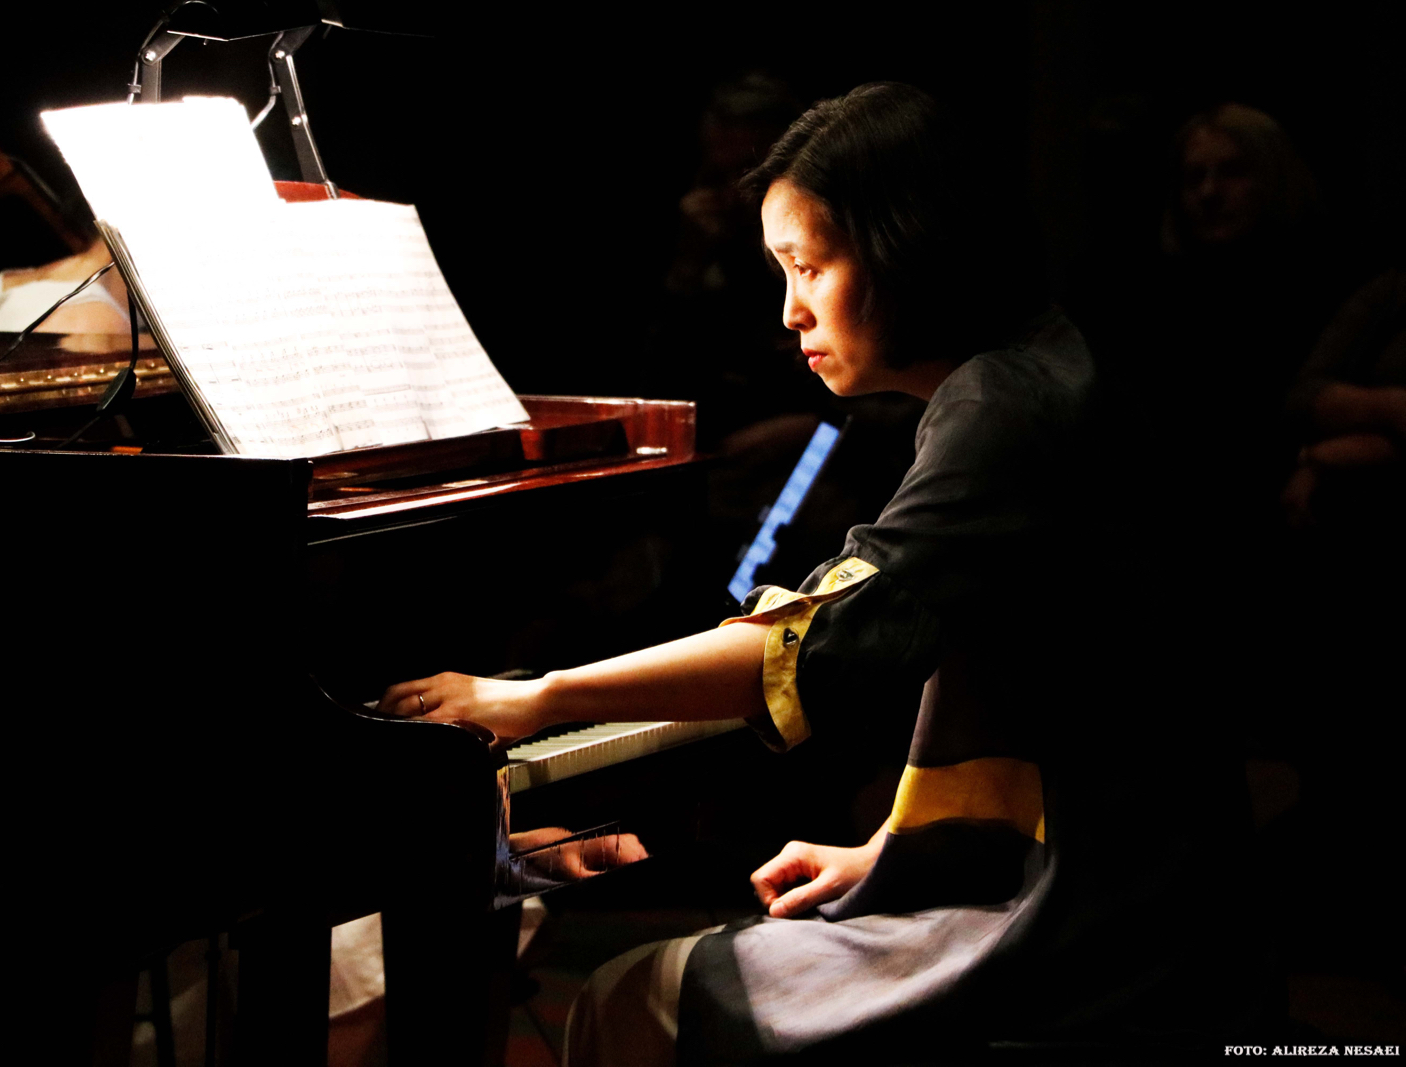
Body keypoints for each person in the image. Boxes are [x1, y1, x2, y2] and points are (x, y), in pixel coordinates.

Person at [381, 82, 1264, 1064]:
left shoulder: (1001, 407)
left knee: (630, 998)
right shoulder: (1040, 365)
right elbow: (1061, 704)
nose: (790, 308)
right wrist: (889, 851)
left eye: (807, 265)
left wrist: (532, 696)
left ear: (903, 246)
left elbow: (817, 643)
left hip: (1100, 926)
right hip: (1143, 881)